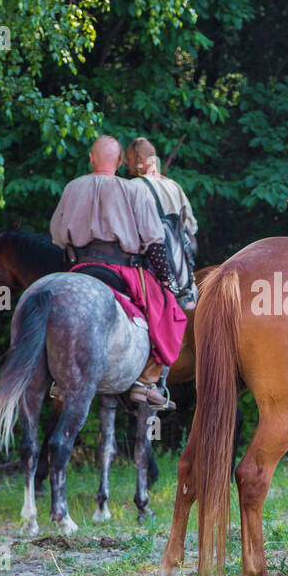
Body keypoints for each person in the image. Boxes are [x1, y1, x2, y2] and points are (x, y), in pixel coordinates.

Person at [48, 135, 187, 410]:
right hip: (122, 270)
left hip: (80, 268)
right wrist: (168, 282)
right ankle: (146, 382)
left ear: (90, 158)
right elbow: (155, 242)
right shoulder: (134, 191)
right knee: (170, 310)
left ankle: (56, 377)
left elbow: (57, 237)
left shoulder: (72, 188)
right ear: (121, 162)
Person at [124, 137, 199, 308]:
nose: (126, 165)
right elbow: (191, 229)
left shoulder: (132, 187)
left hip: (148, 274)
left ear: (140, 159)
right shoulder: (174, 186)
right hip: (181, 277)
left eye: (128, 159)